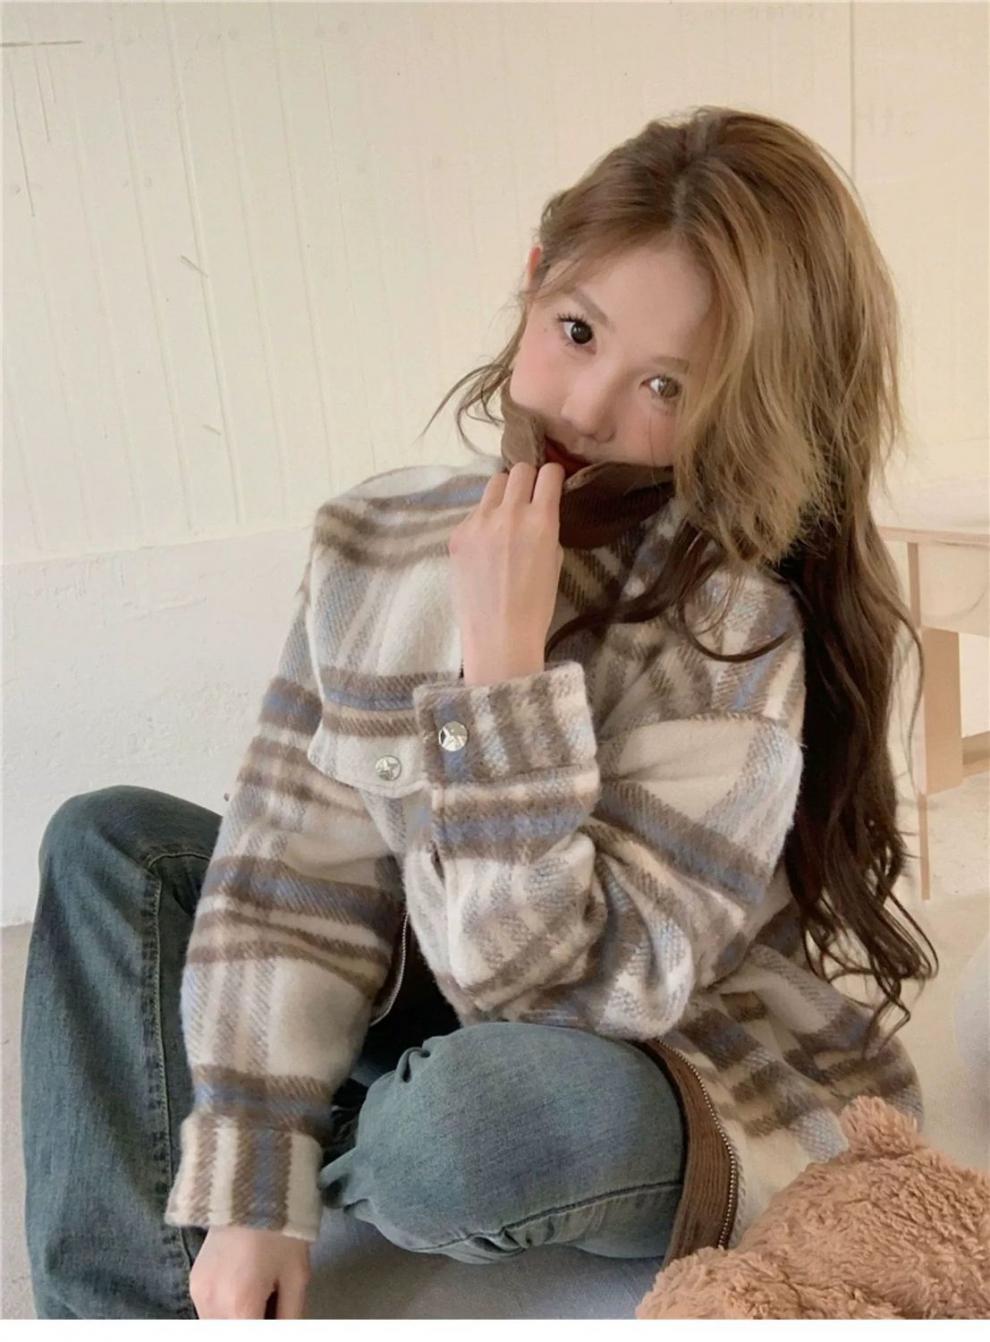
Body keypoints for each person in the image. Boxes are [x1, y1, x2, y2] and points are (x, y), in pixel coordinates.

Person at [22, 106, 939, 1320]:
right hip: (428, 971)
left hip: (641, 1057)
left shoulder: (735, 635)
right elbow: (297, 862)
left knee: (465, 1127)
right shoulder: (374, 541)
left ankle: (350, 1117)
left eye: (666, 384)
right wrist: (253, 1190)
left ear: (741, 406)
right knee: (110, 843)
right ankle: (126, 1313)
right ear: (535, 278)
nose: (591, 405)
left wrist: (503, 682)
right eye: (578, 331)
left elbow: (565, 1005)